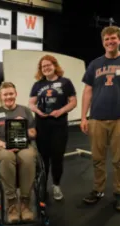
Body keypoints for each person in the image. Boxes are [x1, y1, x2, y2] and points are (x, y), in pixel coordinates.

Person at [80, 26, 120, 211]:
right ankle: (98, 189)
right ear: (102, 42)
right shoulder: (94, 64)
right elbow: (87, 91)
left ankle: (119, 192)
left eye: (113, 39)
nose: (110, 42)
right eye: (106, 39)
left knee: (119, 160)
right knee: (97, 159)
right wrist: (83, 117)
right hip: (97, 120)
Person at [0, 82, 37, 223]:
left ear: (16, 94)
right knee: (6, 157)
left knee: (28, 156)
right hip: (2, 147)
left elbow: (33, 132)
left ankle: (25, 203)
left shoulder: (25, 111)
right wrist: (4, 144)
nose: (8, 97)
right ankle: (12, 204)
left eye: (11, 93)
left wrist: (24, 128)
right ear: (1, 96)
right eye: (5, 94)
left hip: (23, 145)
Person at [29, 55, 77, 201]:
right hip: (42, 125)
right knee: (43, 158)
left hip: (59, 126)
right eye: (43, 67)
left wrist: (60, 111)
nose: (46, 68)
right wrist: (37, 111)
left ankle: (56, 185)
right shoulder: (38, 84)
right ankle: (43, 185)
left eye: (48, 65)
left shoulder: (65, 82)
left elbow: (73, 102)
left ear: (55, 65)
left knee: (57, 157)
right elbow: (31, 103)